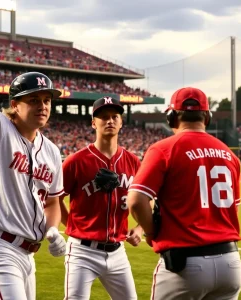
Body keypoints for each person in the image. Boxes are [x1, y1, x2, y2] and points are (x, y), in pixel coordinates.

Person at [0, 41, 66, 300]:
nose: (43, 106)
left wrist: (53, 229)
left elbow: (52, 202)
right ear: (15, 105)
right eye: (34, 100)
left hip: (27, 254)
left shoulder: (51, 151)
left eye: (47, 100)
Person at [127, 87, 241, 300]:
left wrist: (151, 233)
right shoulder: (229, 154)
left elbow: (135, 200)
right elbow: (233, 207)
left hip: (185, 263)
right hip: (230, 262)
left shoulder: (164, 148)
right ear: (207, 117)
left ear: (172, 117)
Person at [59, 96, 142, 300]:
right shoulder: (76, 161)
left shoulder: (133, 162)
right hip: (82, 252)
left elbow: (146, 199)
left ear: (121, 122)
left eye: (115, 116)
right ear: (93, 122)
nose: (110, 121)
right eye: (103, 117)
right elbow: (53, 199)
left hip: (118, 251)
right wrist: (72, 224)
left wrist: (140, 228)